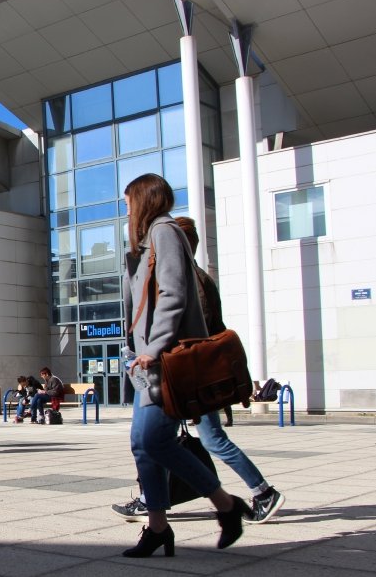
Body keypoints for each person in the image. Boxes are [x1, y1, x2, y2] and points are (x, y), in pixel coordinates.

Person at [112, 216, 284, 525]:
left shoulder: (186, 279)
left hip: (189, 375)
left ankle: (259, 493)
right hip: (190, 374)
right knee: (159, 439)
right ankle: (153, 503)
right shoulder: (196, 276)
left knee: (199, 439)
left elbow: (194, 335)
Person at [121, 173, 249, 557]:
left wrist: (154, 347)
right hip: (149, 365)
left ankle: (227, 505)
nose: (124, 208)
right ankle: (158, 527)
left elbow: (174, 293)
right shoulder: (146, 244)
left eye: (128, 200)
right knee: (142, 445)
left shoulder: (165, 232)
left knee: (155, 441)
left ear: (144, 199)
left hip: (166, 361)